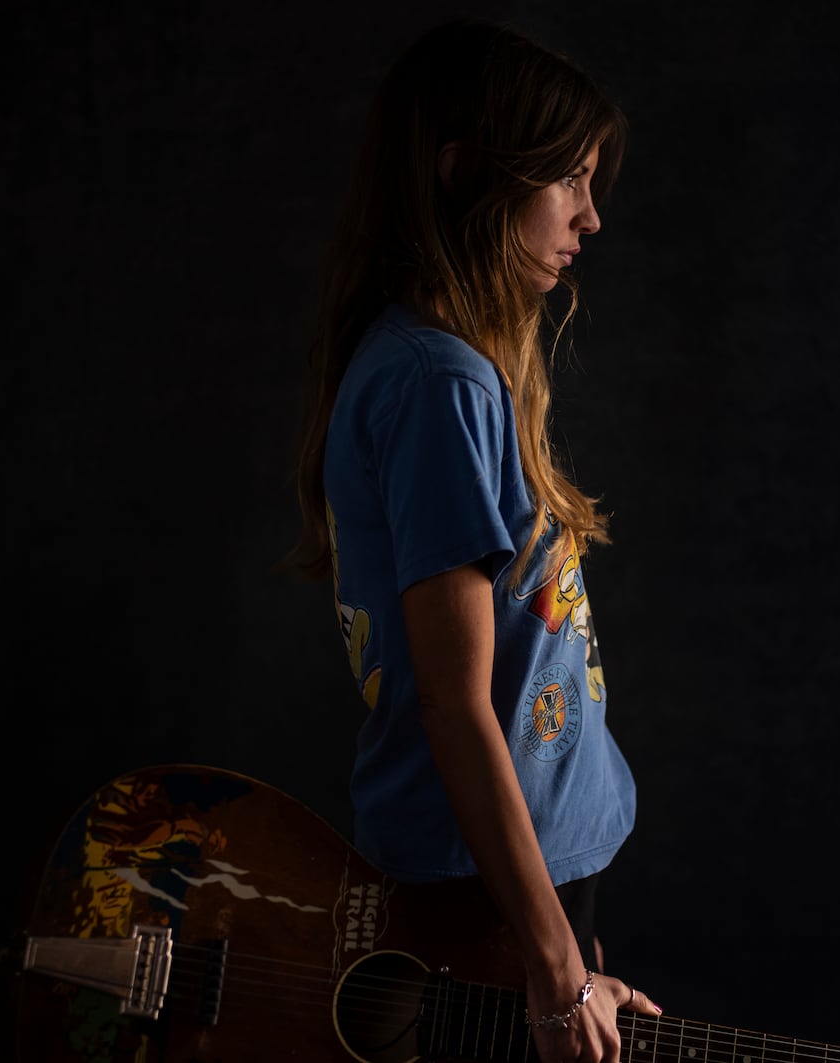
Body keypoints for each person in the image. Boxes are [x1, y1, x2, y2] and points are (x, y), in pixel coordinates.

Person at [287, 19, 661, 1062]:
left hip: (523, 878)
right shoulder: (435, 381)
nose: (590, 216)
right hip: (481, 881)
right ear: (465, 177)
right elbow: (454, 703)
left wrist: (562, 950)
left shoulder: (449, 364)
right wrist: (550, 965)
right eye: (567, 181)